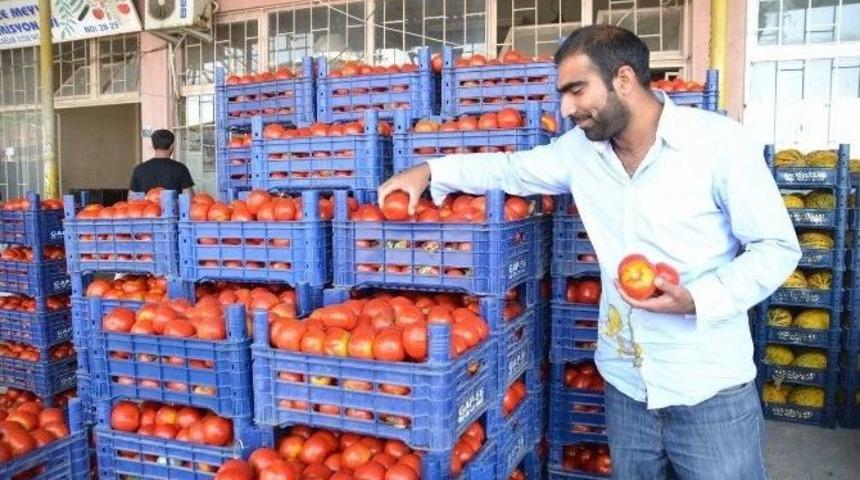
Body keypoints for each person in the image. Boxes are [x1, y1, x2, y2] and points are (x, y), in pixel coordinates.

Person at [379, 25, 800, 480]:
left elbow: (776, 247)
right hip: (626, 382)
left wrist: (699, 298)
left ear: (623, 79)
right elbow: (512, 169)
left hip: (706, 385)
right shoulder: (581, 152)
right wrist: (428, 170)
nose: (566, 108)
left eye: (576, 90)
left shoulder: (719, 144)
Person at [129, 129, 195, 196]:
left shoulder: (139, 169)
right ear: (171, 146)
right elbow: (189, 198)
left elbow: (131, 199)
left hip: (147, 206)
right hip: (173, 207)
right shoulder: (181, 168)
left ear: (153, 146)